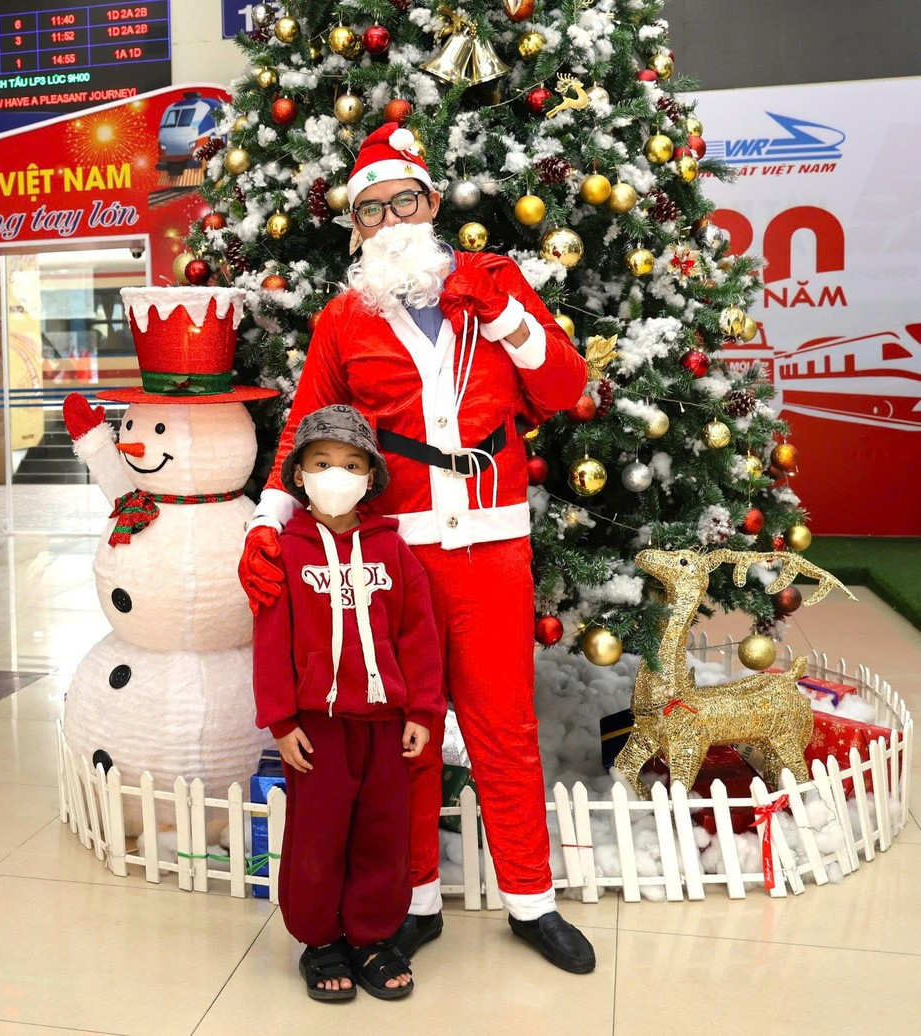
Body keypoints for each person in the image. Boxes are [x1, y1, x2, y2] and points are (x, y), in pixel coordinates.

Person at [239, 123, 597, 974]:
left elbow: (567, 385)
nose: (391, 216)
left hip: (494, 543)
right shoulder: (343, 318)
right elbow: (304, 429)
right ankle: (418, 901)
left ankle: (530, 901)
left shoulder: (496, 283)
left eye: (405, 200)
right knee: (406, 728)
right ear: (356, 228)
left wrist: (507, 318)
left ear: (433, 205)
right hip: (394, 553)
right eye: (371, 209)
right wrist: (265, 522)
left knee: (503, 723)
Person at [253, 404, 444, 1002]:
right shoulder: (286, 552)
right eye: (323, 462)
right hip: (317, 728)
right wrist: (282, 721)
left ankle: (370, 936)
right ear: (301, 475)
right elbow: (271, 642)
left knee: (383, 833)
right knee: (318, 833)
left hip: (386, 724)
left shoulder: (393, 552)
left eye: (351, 463)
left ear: (369, 477)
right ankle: (320, 940)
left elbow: (419, 634)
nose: (337, 474)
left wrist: (422, 711)